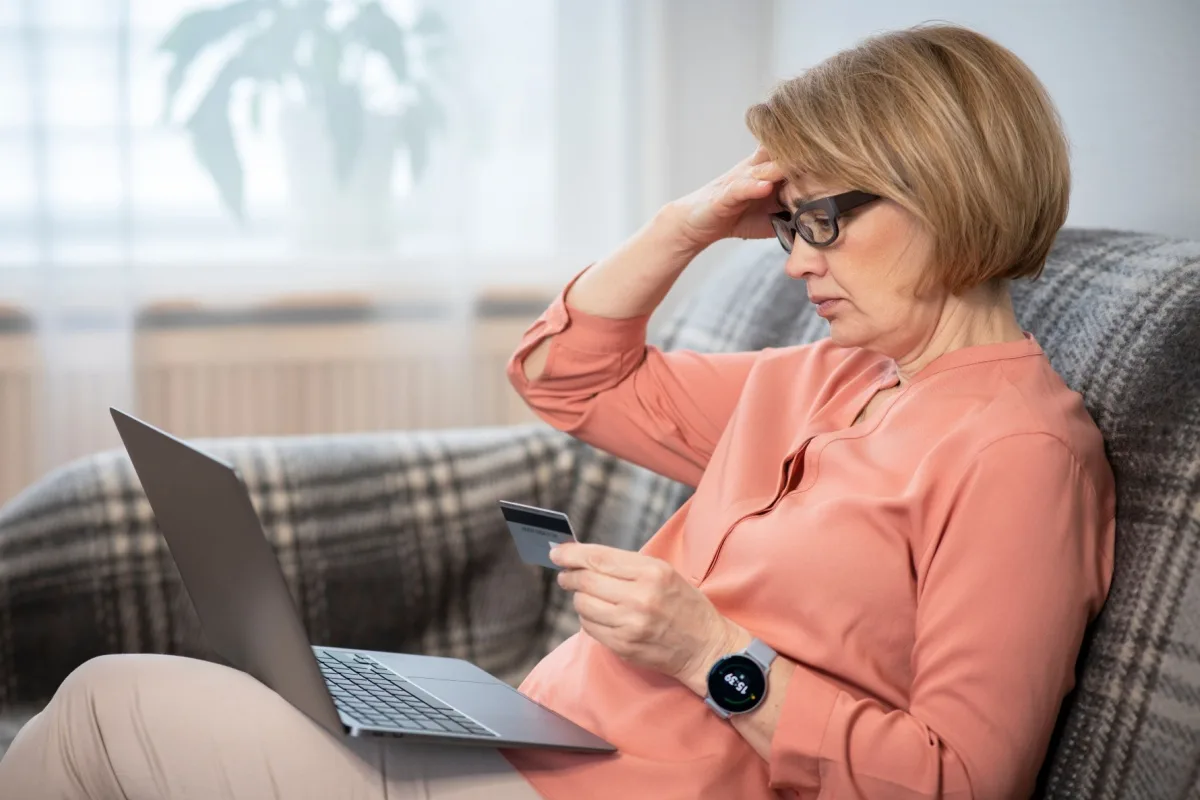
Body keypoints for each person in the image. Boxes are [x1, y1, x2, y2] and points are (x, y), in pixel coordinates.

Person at [0, 22, 1114, 800]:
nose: (794, 262)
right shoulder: (820, 375)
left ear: (951, 185)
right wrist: (682, 223)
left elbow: (960, 778)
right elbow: (565, 376)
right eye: (786, 222)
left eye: (822, 217)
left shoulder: (1019, 453)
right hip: (527, 735)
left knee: (103, 708)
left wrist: (711, 648)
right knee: (76, 730)